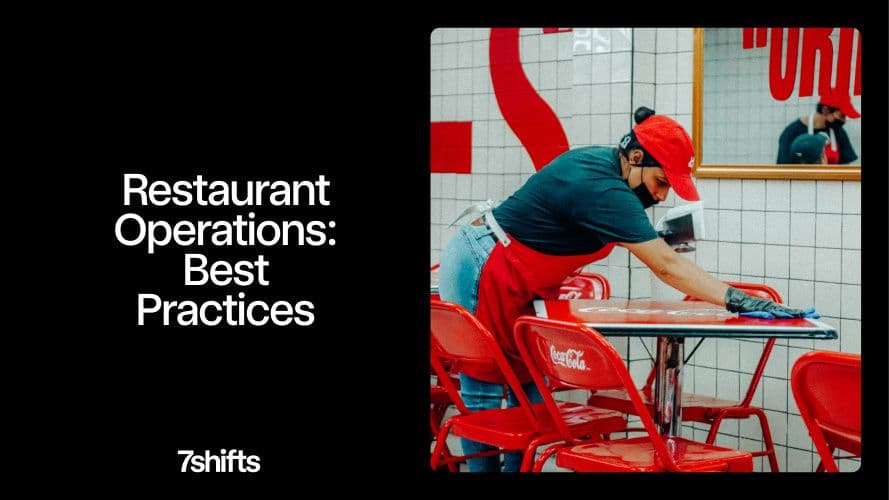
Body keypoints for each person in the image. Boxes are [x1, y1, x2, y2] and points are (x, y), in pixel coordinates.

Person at [438, 107, 819, 472]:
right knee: (485, 389)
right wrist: (739, 299)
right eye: (661, 182)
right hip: (484, 262)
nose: (662, 196)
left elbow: (639, 243)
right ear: (636, 156)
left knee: (529, 385)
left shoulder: (612, 172)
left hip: (520, 272)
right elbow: (667, 267)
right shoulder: (602, 188)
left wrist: (659, 240)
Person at [776, 93, 860, 164]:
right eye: (841, 116)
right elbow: (783, 170)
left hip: (832, 183)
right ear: (825, 110)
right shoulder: (792, 132)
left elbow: (845, 168)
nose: (844, 121)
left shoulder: (838, 132)